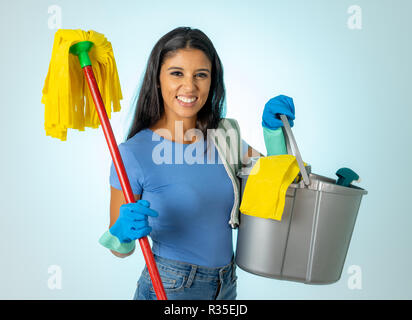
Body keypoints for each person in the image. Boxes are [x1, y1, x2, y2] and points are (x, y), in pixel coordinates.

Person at [98, 26, 296, 300]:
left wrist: (274, 134)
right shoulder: (133, 154)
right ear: (157, 79)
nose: (189, 87)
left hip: (225, 285)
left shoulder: (225, 138)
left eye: (200, 75)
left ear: (212, 82)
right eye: (176, 73)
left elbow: (279, 185)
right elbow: (119, 250)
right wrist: (121, 232)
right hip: (168, 285)